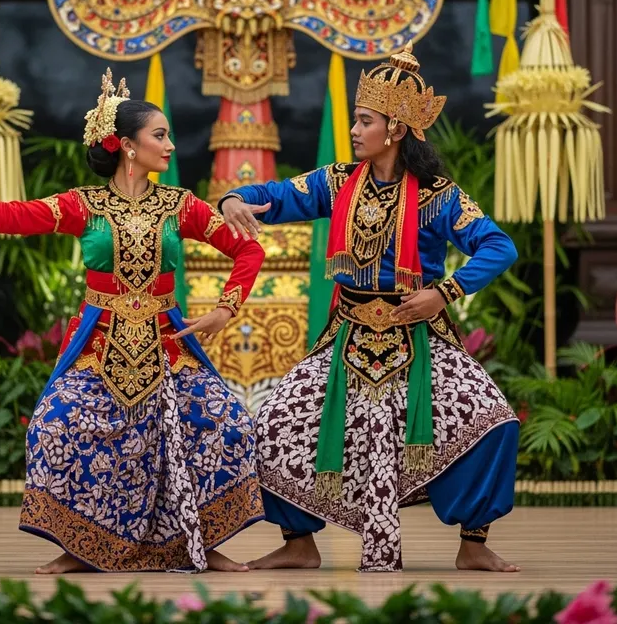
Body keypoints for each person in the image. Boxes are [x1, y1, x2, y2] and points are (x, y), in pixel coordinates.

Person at [0, 69, 266, 574]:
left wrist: (225, 308)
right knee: (54, 425)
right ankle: (78, 546)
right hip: (99, 347)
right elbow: (18, 215)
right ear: (127, 146)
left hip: (168, 347)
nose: (169, 145)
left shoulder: (180, 206)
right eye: (159, 135)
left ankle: (201, 544)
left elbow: (247, 248)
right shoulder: (85, 205)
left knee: (224, 424)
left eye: (167, 135)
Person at [219, 43, 521, 573]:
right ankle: (298, 542)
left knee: (495, 421)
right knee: (269, 425)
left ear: (396, 129)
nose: (354, 130)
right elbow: (274, 194)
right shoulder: (336, 184)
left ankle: (473, 543)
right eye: (356, 120)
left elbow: (499, 246)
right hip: (347, 336)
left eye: (364, 121)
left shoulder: (437, 195)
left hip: (418, 339)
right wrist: (233, 200)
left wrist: (445, 291)